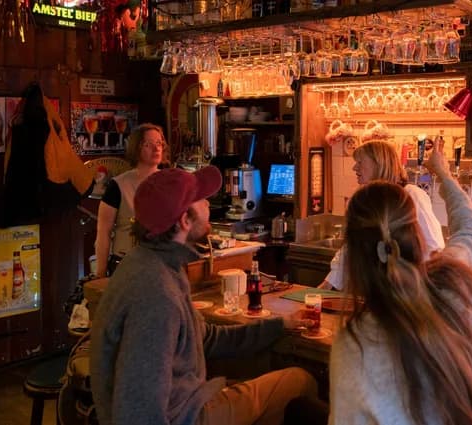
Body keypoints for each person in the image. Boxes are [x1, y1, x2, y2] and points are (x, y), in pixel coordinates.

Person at [90, 166, 319, 425]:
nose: (208, 203)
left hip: (188, 402)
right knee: (300, 382)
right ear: (184, 221)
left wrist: (279, 325)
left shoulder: (152, 262)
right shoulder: (156, 293)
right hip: (186, 416)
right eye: (199, 199)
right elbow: (136, 410)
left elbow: (205, 338)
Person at [328, 140, 472, 424]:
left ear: (356, 259)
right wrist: (444, 174)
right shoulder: (453, 282)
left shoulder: (356, 344)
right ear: (414, 233)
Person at [318, 140, 445, 290]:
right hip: (375, 289)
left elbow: (433, 246)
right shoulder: (365, 199)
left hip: (405, 290)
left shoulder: (411, 195)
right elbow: (350, 248)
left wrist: (416, 287)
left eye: (360, 162)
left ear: (379, 163)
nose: (354, 167)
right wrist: (328, 283)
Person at [94, 123, 167, 277]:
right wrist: (100, 274)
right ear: (136, 148)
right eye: (148, 144)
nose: (156, 148)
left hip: (161, 262)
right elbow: (103, 233)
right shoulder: (118, 185)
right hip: (126, 263)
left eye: (159, 143)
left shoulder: (170, 181)